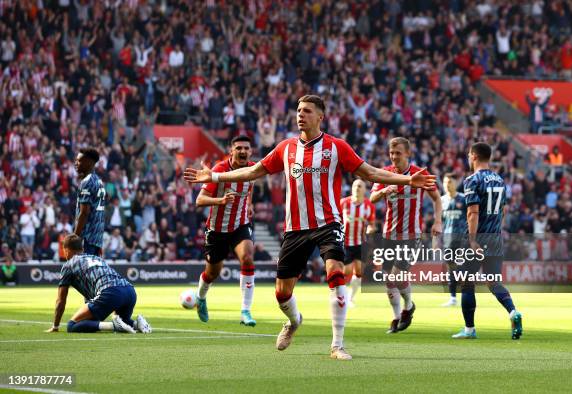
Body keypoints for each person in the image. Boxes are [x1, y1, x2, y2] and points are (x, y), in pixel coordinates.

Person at [184, 94, 436, 360]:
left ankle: (337, 345)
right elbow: (253, 171)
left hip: (328, 223)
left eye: (306, 111)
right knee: (282, 293)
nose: (300, 115)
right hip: (295, 228)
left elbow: (370, 173)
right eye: (298, 110)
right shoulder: (286, 148)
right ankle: (294, 322)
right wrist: (213, 175)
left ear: (320, 117)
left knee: (336, 274)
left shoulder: (337, 147)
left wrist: (406, 181)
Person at [370, 137, 443, 334]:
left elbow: (437, 199)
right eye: (391, 153)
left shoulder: (420, 174)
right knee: (388, 279)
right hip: (388, 234)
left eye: (398, 153)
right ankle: (396, 317)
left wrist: (437, 221)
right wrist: (385, 190)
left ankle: (408, 306)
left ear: (408, 154)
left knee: (397, 276)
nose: (394, 157)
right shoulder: (385, 173)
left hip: (411, 235)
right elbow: (372, 198)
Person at [452, 142, 523, 340]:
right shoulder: (500, 180)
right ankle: (513, 312)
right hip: (495, 238)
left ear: (474, 156)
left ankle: (469, 330)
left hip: (478, 238)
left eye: (468, 155)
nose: (468, 158)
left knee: (466, 281)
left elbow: (472, 212)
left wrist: (473, 240)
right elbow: (503, 211)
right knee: (493, 282)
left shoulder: (472, 180)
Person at [195, 135, 257, 327]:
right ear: (231, 151)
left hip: (240, 225)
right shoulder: (220, 170)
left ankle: (245, 311)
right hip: (217, 230)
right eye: (238, 148)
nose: (243, 151)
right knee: (212, 273)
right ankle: (201, 297)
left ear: (250, 151)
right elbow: (200, 200)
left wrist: (249, 204)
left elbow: (249, 187)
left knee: (247, 257)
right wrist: (220, 201)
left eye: (246, 148)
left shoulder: (252, 169)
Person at [47, 234, 151, 334]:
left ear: (66, 250)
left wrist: (55, 326)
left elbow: (61, 300)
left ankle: (113, 326)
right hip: (130, 291)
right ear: (82, 249)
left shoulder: (68, 265)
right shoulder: (96, 257)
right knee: (123, 321)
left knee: (72, 325)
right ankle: (137, 324)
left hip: (110, 292)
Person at [340, 179, 376, 307]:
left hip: (360, 242)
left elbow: (372, 224)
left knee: (359, 271)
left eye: (360, 186)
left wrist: (371, 229)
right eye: (355, 185)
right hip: (345, 242)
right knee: (347, 271)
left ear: (364, 190)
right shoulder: (343, 203)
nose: (357, 188)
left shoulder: (369, 206)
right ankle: (340, 296)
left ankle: (350, 298)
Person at [440, 173, 467, 307]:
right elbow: (439, 222)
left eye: (450, 182)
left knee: (463, 268)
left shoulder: (463, 199)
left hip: (462, 239)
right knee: (451, 268)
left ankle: (466, 295)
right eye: (445, 182)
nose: (447, 185)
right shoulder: (442, 200)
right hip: (447, 240)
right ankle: (453, 298)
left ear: (456, 183)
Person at [74, 148, 106, 256]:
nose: (76, 163)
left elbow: (84, 212)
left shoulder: (87, 182)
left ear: (89, 162)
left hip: (86, 238)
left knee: (83, 272)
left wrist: (75, 237)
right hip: (96, 239)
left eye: (79, 160)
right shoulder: (98, 181)